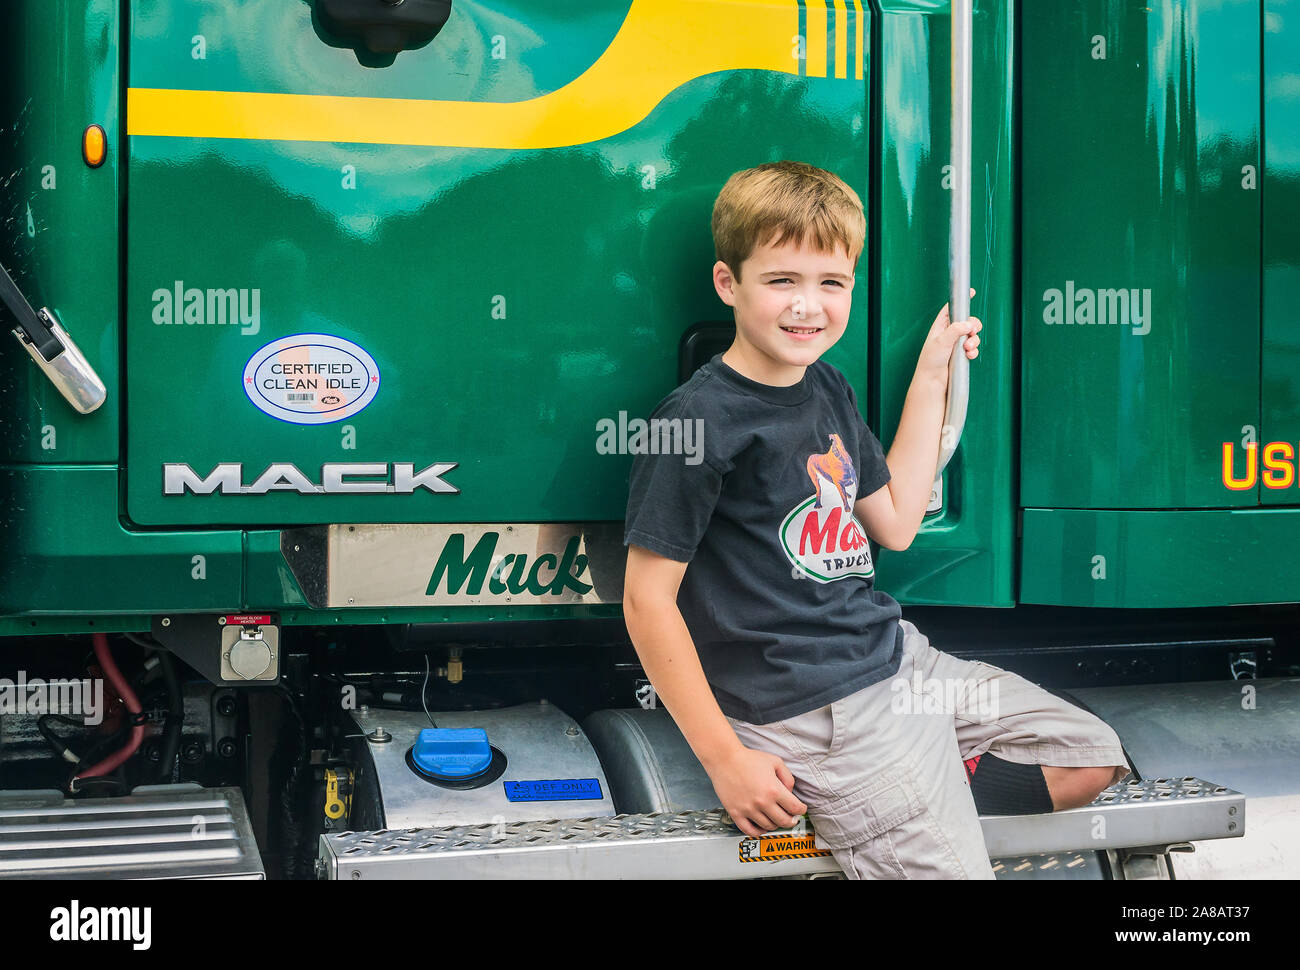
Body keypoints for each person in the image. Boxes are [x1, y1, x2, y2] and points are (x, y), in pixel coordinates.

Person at [621, 160, 1129, 879]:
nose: (808, 306)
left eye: (831, 284)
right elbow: (646, 600)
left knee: (1090, 757)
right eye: (781, 281)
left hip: (895, 660)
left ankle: (918, 799)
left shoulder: (825, 385)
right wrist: (727, 760)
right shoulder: (698, 422)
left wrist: (931, 376)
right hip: (817, 710)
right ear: (728, 284)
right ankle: (896, 811)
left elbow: (892, 523)